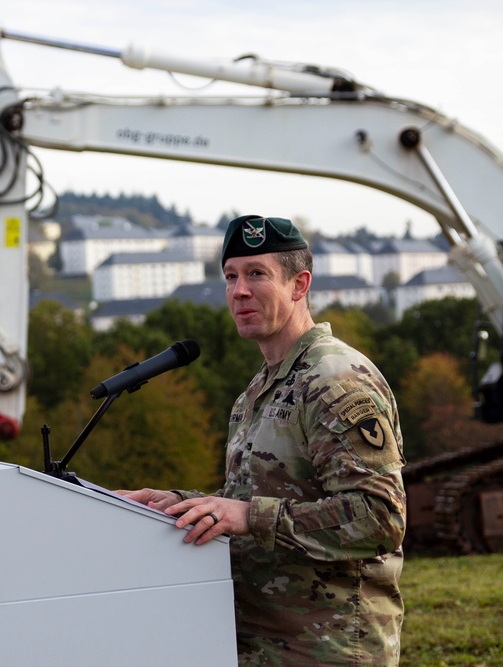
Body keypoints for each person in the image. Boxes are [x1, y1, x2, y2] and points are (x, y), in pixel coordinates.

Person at [119, 215, 406, 666]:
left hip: (328, 649)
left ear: (299, 285)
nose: (239, 291)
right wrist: (178, 503)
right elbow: (253, 504)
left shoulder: (334, 381)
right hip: (263, 645)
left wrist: (249, 516)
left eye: (257, 274)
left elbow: (381, 517)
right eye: (230, 276)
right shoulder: (260, 389)